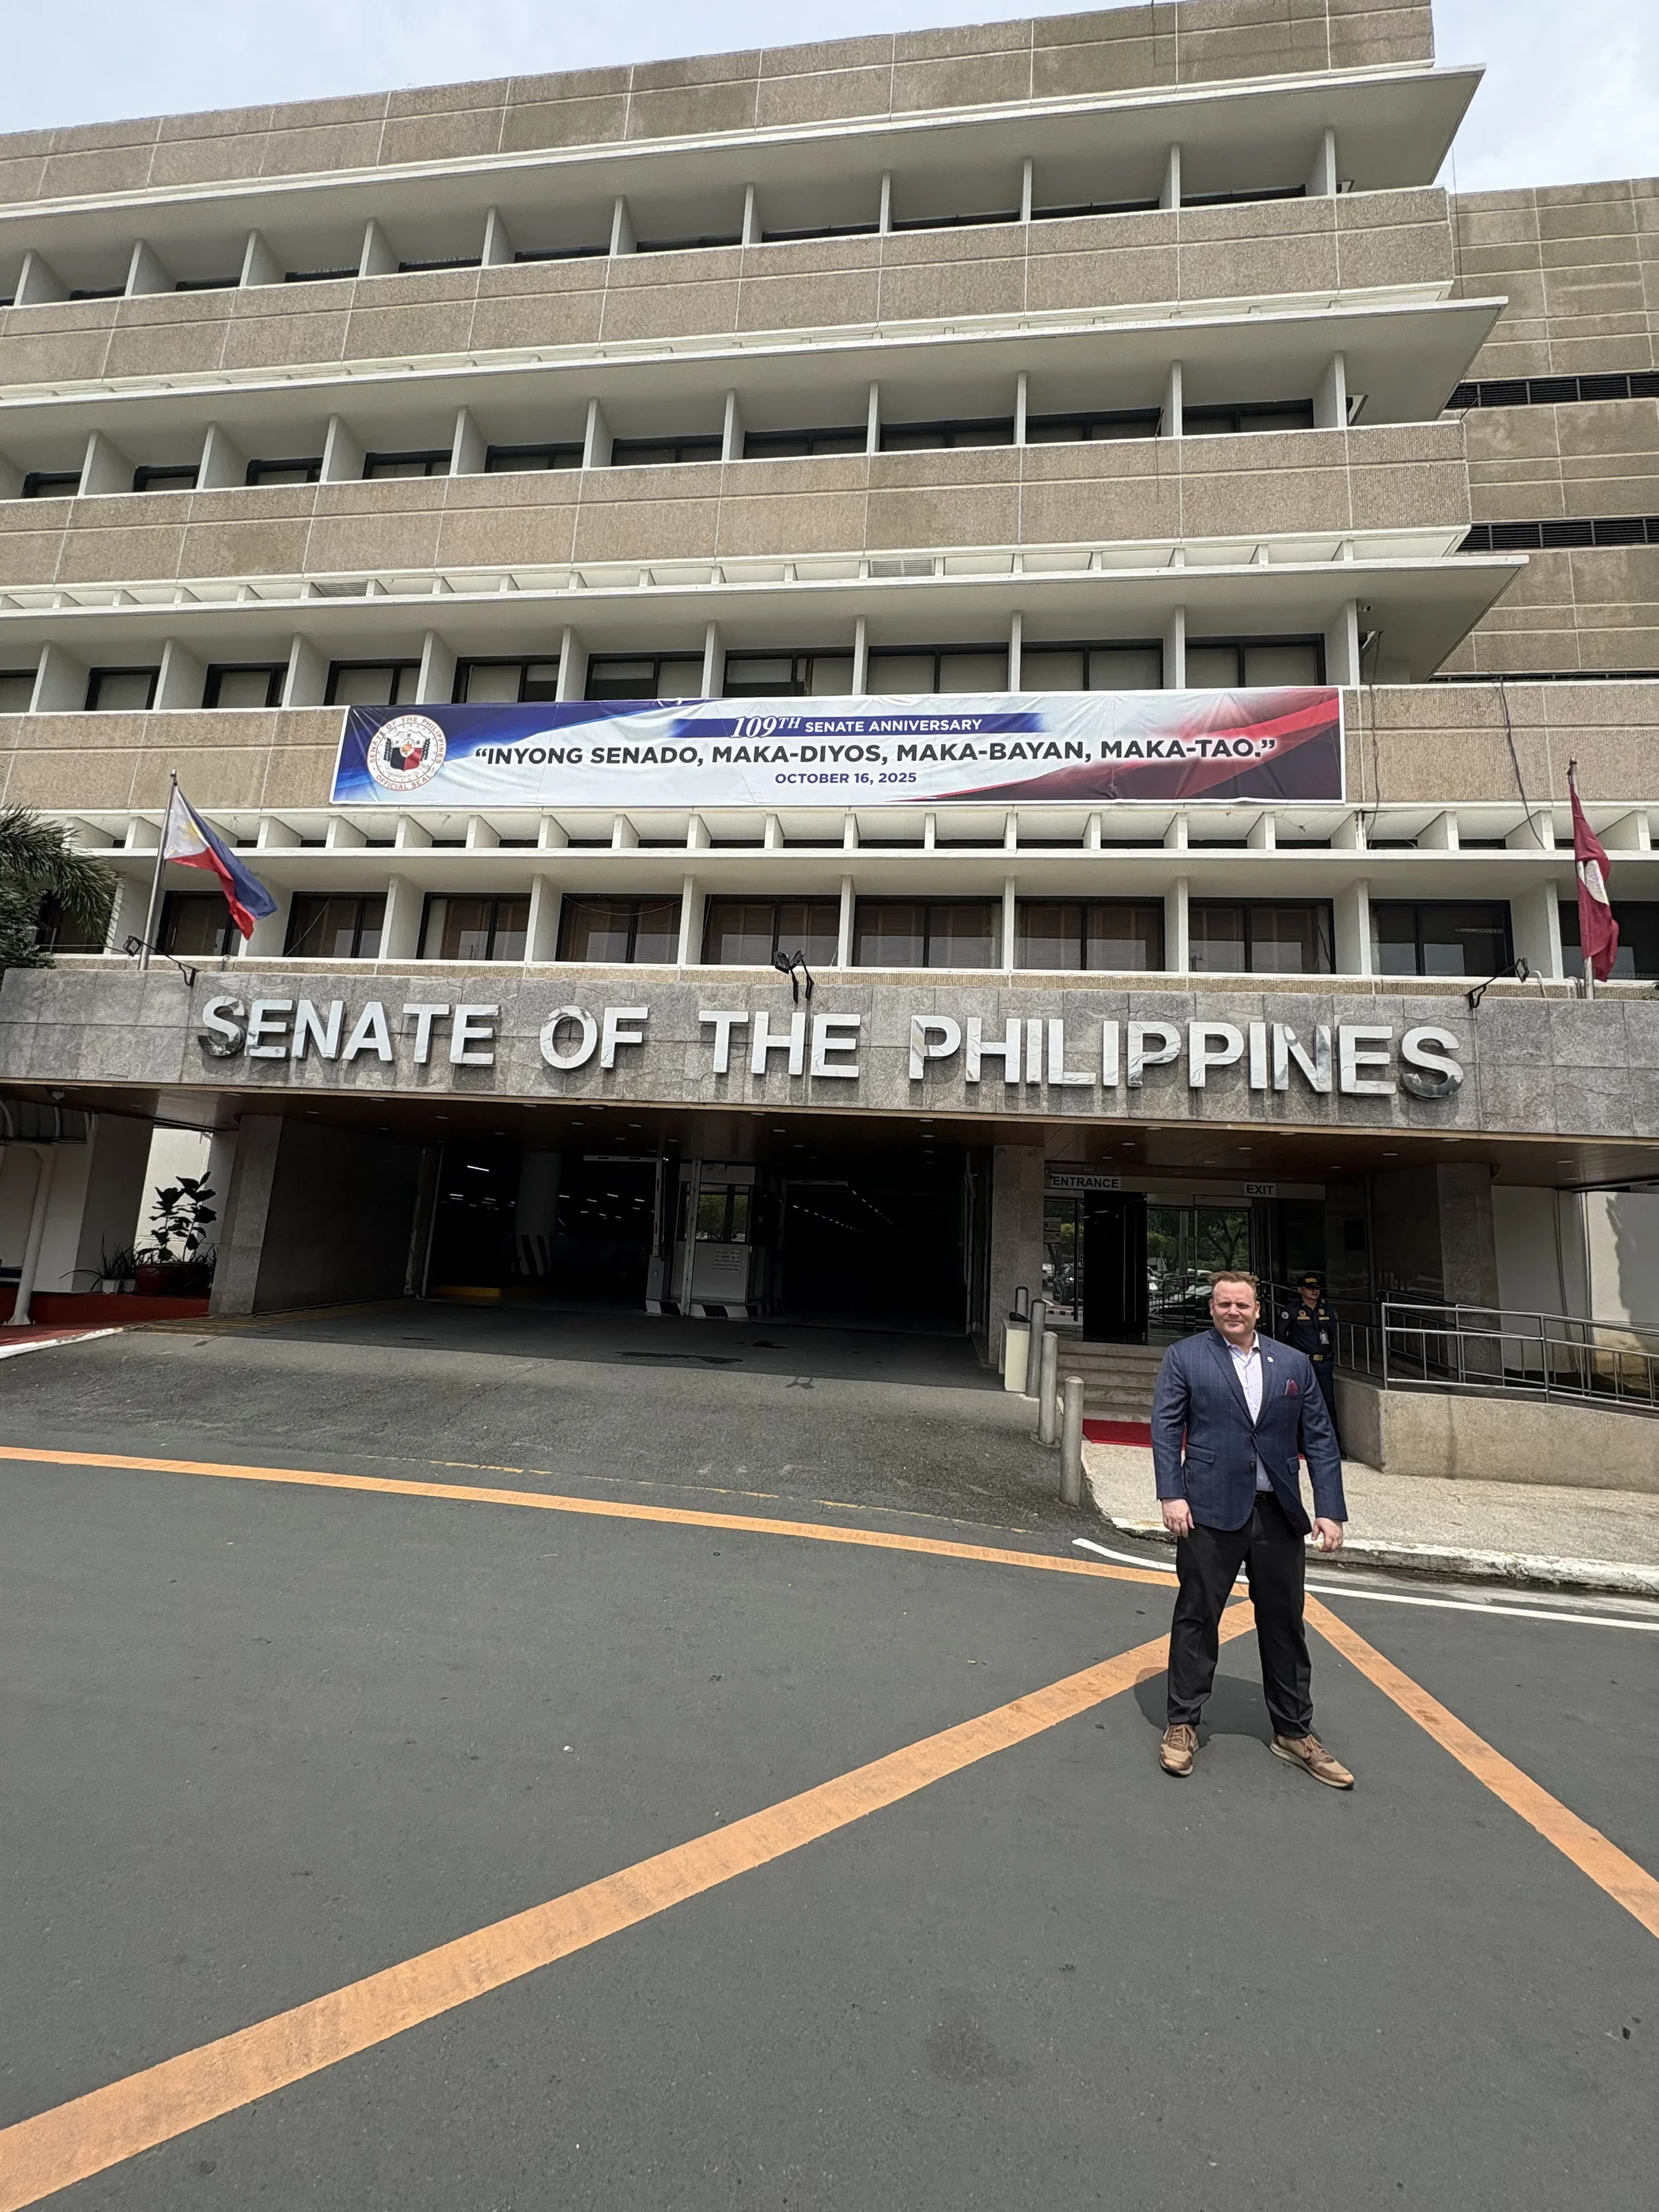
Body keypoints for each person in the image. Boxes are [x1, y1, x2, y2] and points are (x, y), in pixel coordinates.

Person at [1149, 1268, 1354, 1789]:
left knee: (1286, 1622)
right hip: (1209, 1510)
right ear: (1212, 1308)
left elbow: (1321, 1439)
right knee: (1198, 1615)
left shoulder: (1291, 1364)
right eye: (1223, 1304)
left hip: (1278, 1514)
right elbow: (1167, 1426)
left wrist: (1330, 1508)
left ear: (1258, 1309)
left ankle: (1293, 1730)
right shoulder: (1186, 1356)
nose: (1232, 1312)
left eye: (1242, 1304)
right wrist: (1171, 1494)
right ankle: (1182, 1723)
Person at [1275, 1273, 1340, 1444]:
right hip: (1303, 1363)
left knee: (1328, 1404)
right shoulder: (1293, 1310)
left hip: (1324, 1363)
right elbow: (1281, 1335)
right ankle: (1300, 1444)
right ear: (1300, 1290)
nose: (1314, 1291)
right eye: (1310, 1288)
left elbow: (1332, 1333)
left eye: (1317, 1288)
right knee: (1300, 1403)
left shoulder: (1326, 1310)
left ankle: (1333, 1444)